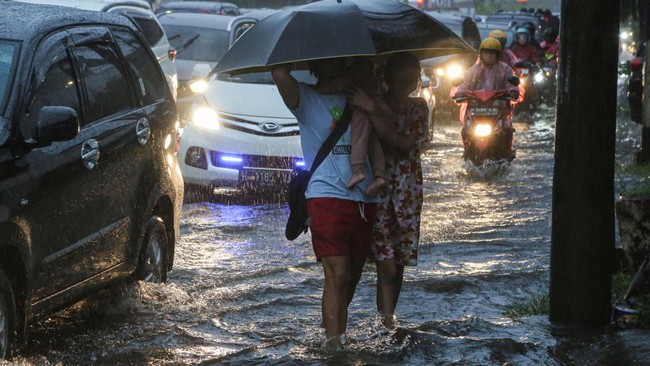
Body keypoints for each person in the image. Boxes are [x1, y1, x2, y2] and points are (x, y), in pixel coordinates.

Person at [271, 58, 380, 351]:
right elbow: (279, 72)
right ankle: (333, 344)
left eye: (343, 61)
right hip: (325, 195)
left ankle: (331, 325)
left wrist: (369, 104)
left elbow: (387, 128)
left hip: (365, 197)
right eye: (329, 60)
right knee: (338, 272)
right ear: (317, 64)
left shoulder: (364, 94)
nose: (338, 64)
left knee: (354, 273)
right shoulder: (305, 98)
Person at [347, 52, 430, 328]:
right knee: (385, 264)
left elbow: (403, 143)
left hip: (407, 192)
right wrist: (371, 108)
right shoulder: (372, 101)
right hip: (378, 191)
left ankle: (387, 320)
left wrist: (372, 110)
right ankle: (382, 324)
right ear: (388, 75)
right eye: (402, 73)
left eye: (413, 73)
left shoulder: (418, 106)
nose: (408, 79)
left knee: (400, 262)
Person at [314, 57, 387, 196]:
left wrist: (317, 90)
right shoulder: (368, 68)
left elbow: (337, 84)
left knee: (358, 137)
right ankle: (379, 175)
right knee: (372, 141)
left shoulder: (356, 69)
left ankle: (358, 170)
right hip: (372, 102)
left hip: (361, 106)